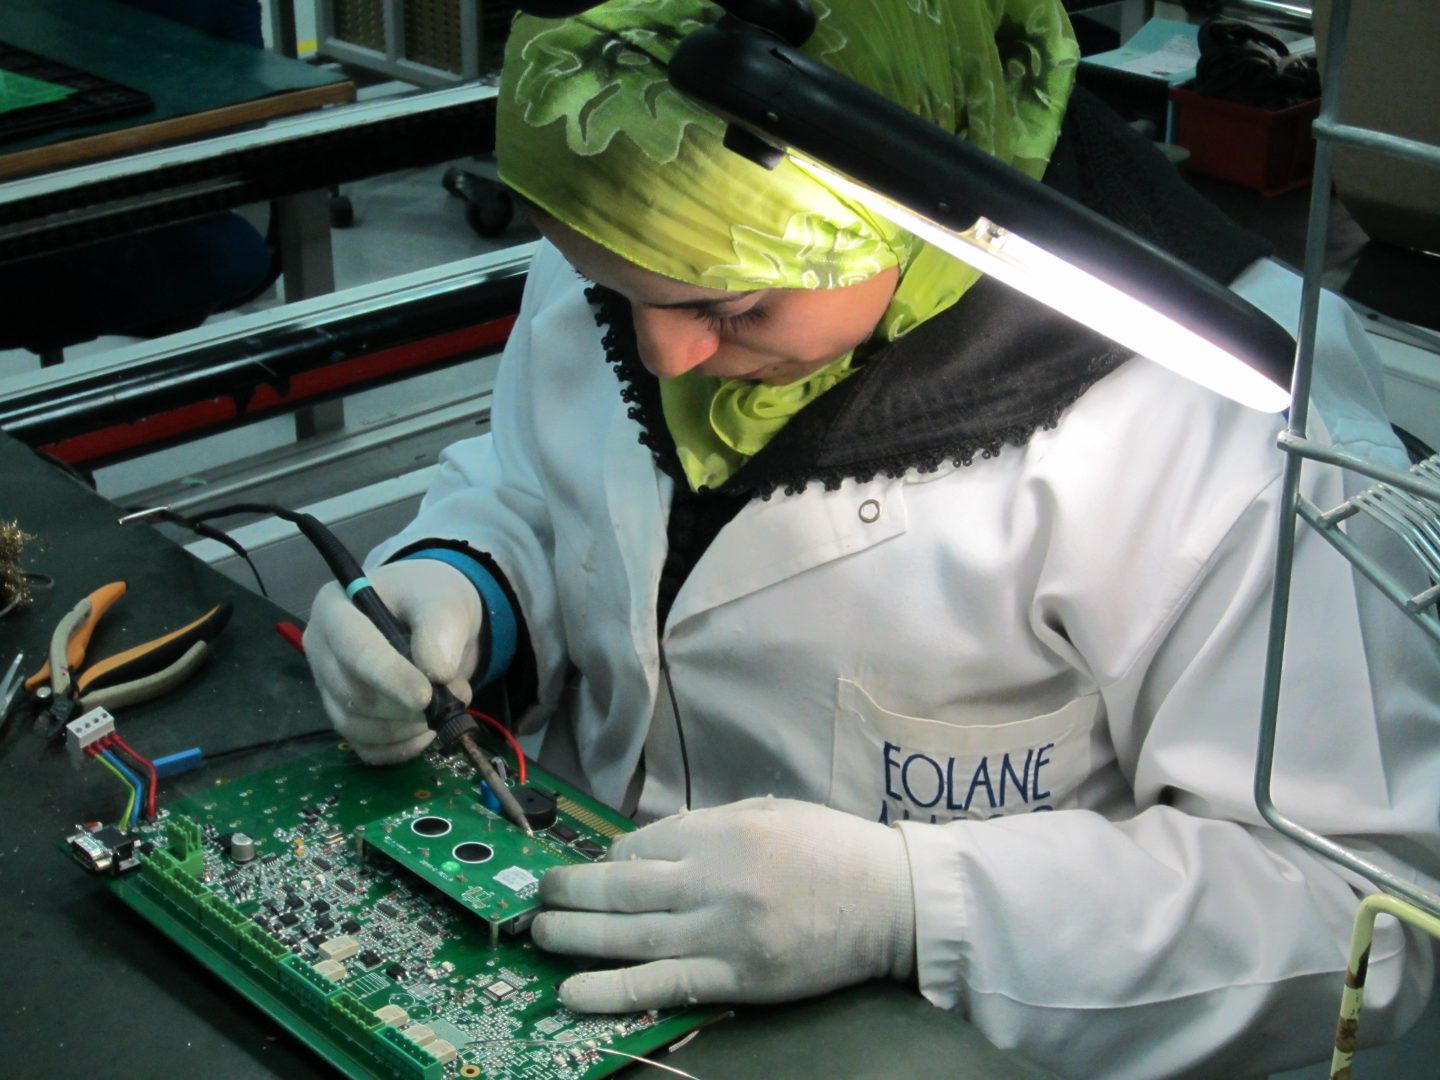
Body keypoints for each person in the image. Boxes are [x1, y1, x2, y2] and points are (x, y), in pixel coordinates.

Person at [303, 1, 1440, 1075]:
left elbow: (1361, 916)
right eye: (612, 280)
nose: (665, 353)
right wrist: (468, 581)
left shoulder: (1229, 418)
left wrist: (910, 908)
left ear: (892, 215)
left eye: (729, 305)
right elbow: (541, 482)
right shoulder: (641, 185)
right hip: (564, 971)